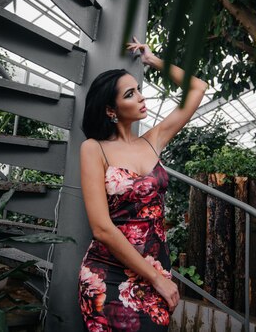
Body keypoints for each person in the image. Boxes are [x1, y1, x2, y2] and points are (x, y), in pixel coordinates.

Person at [78, 37, 208, 331]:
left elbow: (198, 87)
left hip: (156, 266)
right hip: (108, 274)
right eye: (130, 94)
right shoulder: (93, 149)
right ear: (111, 110)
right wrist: (156, 278)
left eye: (138, 90)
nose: (140, 97)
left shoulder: (154, 140)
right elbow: (101, 228)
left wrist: (153, 60)